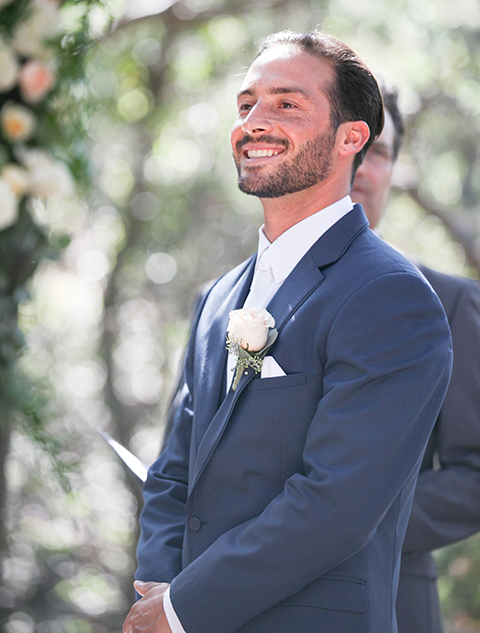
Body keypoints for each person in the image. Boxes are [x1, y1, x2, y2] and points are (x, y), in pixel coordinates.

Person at [123, 31, 453, 633]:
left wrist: (181, 609)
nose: (254, 121)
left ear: (353, 137)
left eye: (286, 104)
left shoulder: (389, 296)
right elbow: (174, 472)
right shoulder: (219, 297)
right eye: (246, 104)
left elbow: (336, 504)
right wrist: (160, 584)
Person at [352, 87, 480, 633]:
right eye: (348, 145)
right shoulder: (226, 301)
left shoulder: (447, 302)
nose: (360, 166)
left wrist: (348, 523)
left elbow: (476, 474)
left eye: (378, 151)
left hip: (389, 603)